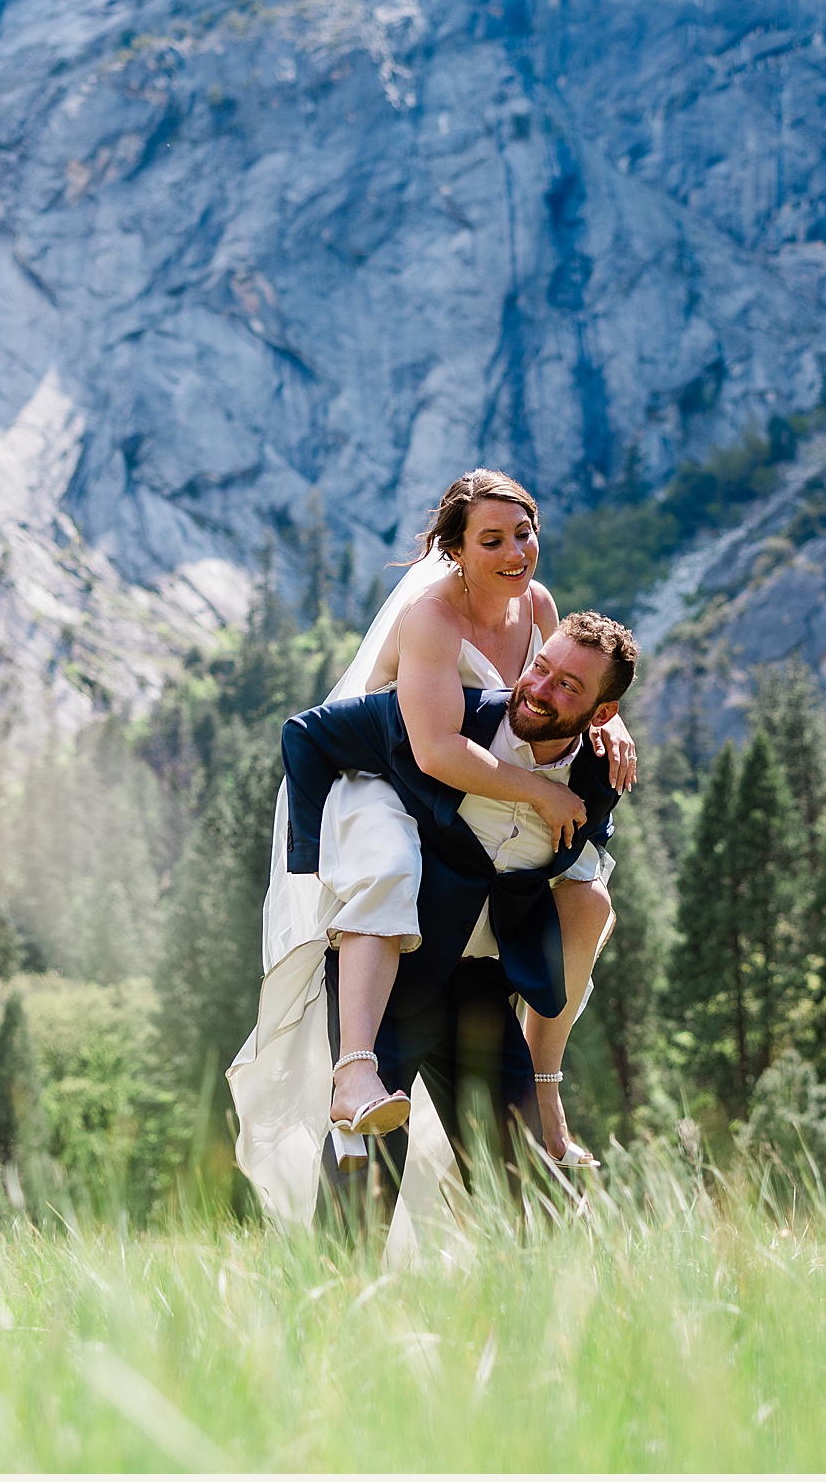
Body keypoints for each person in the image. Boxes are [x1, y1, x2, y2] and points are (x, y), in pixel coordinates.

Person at [227, 473, 632, 1232]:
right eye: (492, 540)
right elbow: (437, 750)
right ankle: (356, 1079)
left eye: (525, 533)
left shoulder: (538, 608)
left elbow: (562, 688)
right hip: (384, 783)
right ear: (454, 551)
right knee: (389, 871)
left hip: (470, 929)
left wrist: (610, 727)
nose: (516, 552)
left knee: (525, 1186)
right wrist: (541, 795)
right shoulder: (432, 617)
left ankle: (544, 1121)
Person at [276, 615, 638, 1225]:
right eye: (540, 666)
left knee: (533, 1204)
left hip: (481, 992)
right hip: (392, 977)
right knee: (362, 1189)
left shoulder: (599, 776)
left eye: (568, 686)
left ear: (602, 715)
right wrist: (322, 870)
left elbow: (576, 870)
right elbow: (306, 735)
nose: (540, 688)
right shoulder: (448, 721)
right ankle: (333, 1312)